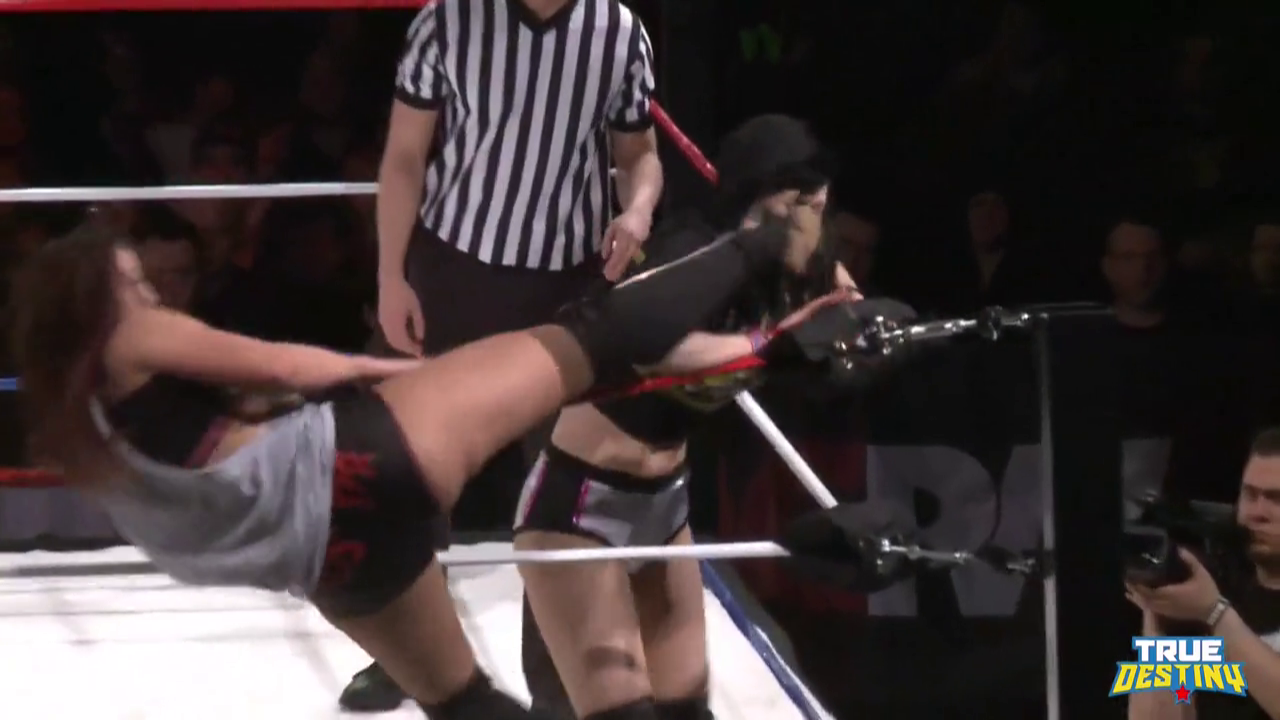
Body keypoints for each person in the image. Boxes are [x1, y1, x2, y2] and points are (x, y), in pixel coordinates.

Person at [8, 204, 829, 719]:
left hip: (330, 560)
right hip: (362, 464)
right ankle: (763, 245)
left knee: (465, 705)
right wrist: (394, 375)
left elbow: (226, 465)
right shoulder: (129, 335)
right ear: (95, 301)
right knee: (592, 337)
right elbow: (285, 366)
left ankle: (770, 334)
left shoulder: (86, 431)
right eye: (134, 284)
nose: (151, 297)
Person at [354, 0, 663, 704]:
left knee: (558, 485)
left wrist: (638, 209)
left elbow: (639, 153)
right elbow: (404, 156)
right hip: (452, 266)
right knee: (409, 463)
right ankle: (409, 654)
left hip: (567, 282)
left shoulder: (618, 30)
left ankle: (555, 681)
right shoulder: (448, 20)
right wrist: (391, 275)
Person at [515, 114, 858, 720]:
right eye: (802, 194)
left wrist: (858, 328)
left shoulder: (802, 263)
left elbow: (853, 323)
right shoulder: (692, 254)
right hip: (580, 506)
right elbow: (643, 347)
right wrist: (763, 347)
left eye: (821, 193)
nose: (817, 206)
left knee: (686, 713)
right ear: (764, 196)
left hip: (664, 504)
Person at [1125, 427, 1280, 720]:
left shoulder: (1213, 606)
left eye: (1276, 499)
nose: (1257, 512)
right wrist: (1159, 617)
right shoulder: (1218, 595)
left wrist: (1215, 614)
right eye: (1250, 495)